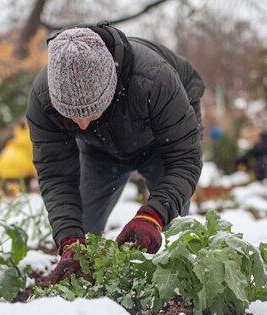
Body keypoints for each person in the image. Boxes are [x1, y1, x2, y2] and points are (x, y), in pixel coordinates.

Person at [25, 22, 205, 284]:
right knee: (81, 233)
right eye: (72, 117)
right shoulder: (43, 100)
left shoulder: (154, 79)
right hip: (100, 149)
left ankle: (170, 289)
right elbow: (56, 176)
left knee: (168, 232)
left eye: (90, 112)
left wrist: (153, 214)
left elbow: (185, 159)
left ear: (111, 89)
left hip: (161, 143)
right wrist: (69, 239)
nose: (82, 125)